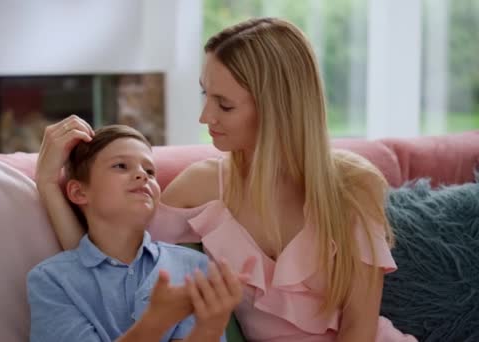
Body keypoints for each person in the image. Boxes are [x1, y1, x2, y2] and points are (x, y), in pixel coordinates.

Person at [35, 18, 417, 341]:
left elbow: (359, 329)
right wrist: (49, 185)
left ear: (277, 109)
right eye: (206, 95)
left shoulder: (355, 186)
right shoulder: (200, 188)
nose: (205, 117)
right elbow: (108, 261)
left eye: (225, 104)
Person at [28, 125, 253, 342]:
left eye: (150, 171)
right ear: (78, 192)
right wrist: (156, 321)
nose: (142, 175)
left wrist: (210, 327)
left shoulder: (193, 266)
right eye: (121, 166)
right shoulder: (51, 280)